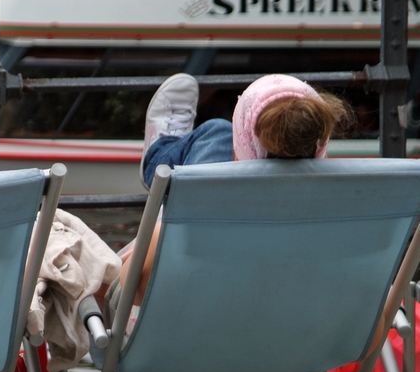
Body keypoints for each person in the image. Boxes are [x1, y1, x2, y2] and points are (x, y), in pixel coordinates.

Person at [103, 72, 349, 319]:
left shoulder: (188, 217)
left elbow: (130, 291)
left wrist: (163, 223)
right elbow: (371, 336)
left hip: (185, 347)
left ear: (239, 152)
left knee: (217, 132)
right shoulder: (345, 230)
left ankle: (161, 160)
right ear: (320, 149)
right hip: (293, 352)